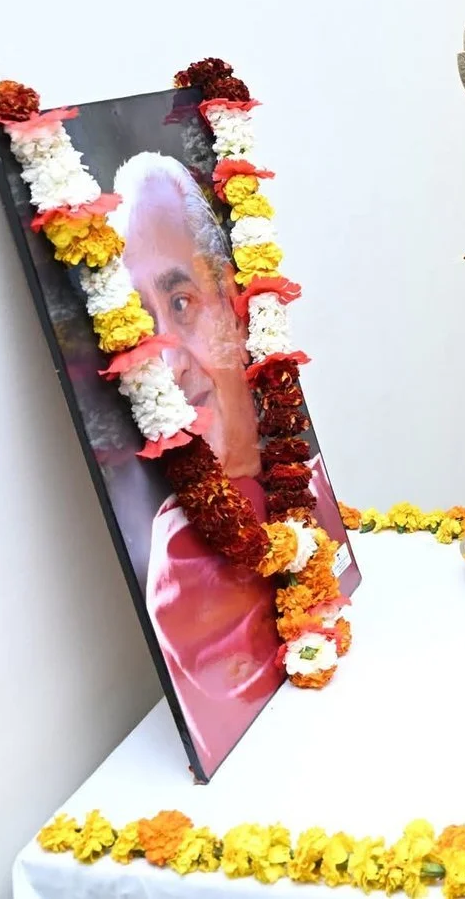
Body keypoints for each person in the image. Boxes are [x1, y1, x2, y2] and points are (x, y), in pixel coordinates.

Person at [115, 151, 346, 776]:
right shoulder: (183, 567)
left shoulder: (301, 477)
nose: (169, 364)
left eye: (181, 303)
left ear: (234, 303)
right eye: (142, 323)